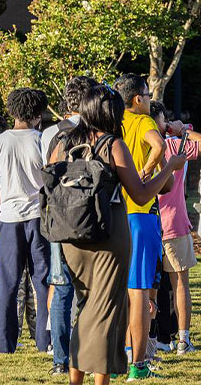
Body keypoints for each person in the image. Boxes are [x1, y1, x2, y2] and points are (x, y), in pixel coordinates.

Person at [48, 84, 186, 385]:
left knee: (85, 308)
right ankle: (101, 381)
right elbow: (140, 193)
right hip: (108, 234)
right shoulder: (113, 144)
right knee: (109, 312)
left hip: (72, 235)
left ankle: (75, 379)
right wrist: (171, 168)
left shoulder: (66, 140)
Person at [0, 87, 51, 354]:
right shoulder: (42, 141)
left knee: (7, 283)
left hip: (9, 219)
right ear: (38, 114)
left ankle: (2, 344)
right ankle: (46, 341)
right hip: (38, 217)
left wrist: (10, 194)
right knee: (42, 281)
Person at [40, 76, 98, 376]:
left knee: (61, 288)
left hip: (57, 217)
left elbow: (46, 172)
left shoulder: (50, 134)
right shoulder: (93, 133)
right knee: (87, 290)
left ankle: (60, 360)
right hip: (85, 217)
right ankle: (83, 355)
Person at [113, 74, 167, 379]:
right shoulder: (144, 121)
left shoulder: (114, 122)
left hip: (117, 213)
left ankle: (119, 357)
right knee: (140, 294)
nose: (149, 99)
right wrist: (146, 171)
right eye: (147, 95)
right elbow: (158, 146)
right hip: (141, 213)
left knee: (119, 291)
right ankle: (138, 365)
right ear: (137, 99)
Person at [150, 101, 199, 354]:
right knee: (180, 282)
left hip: (145, 221)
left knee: (145, 286)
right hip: (173, 223)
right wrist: (180, 131)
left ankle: (149, 341)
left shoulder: (134, 146)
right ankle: (183, 340)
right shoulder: (173, 145)